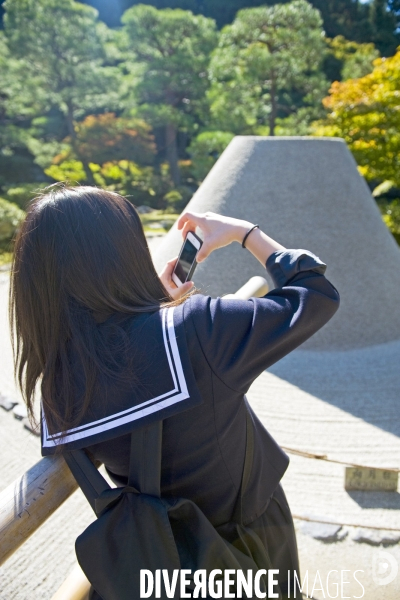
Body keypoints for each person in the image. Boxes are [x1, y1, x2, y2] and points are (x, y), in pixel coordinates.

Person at [9, 184, 340, 599]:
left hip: (159, 564)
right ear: (123, 255)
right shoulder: (195, 329)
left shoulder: (57, 387)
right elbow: (315, 294)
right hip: (252, 544)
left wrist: (148, 311)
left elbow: (123, 362)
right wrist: (243, 232)